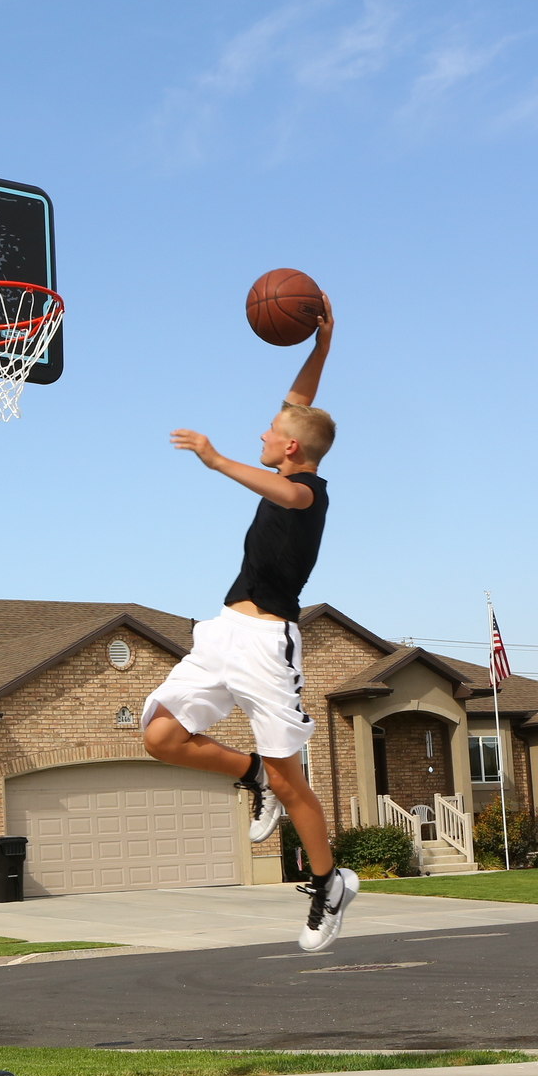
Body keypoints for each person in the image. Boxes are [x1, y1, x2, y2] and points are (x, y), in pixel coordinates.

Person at [141, 300, 352, 950]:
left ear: (289, 449)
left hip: (266, 647)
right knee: (159, 736)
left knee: (296, 785)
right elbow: (298, 400)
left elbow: (284, 490)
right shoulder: (292, 448)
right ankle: (250, 773)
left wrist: (216, 459)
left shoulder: (307, 492)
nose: (264, 431)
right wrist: (322, 343)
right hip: (222, 632)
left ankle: (329, 883)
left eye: (270, 431)